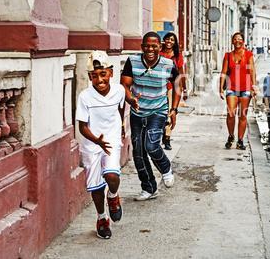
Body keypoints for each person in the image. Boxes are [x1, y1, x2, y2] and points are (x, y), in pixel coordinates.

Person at [120, 31, 180, 201]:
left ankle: (166, 168)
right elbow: (124, 85)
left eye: (154, 46)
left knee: (151, 145)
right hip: (137, 112)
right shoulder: (133, 62)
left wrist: (174, 110)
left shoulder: (168, 64)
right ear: (142, 47)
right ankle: (149, 188)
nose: (150, 49)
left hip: (158, 111)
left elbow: (177, 87)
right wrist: (130, 99)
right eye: (147, 45)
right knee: (138, 153)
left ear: (160, 47)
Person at [75, 50, 125, 239]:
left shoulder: (119, 90)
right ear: (89, 77)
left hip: (110, 141)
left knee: (112, 176)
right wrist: (96, 140)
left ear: (110, 73)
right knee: (96, 187)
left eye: (103, 74)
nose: (99, 79)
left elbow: (121, 107)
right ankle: (102, 218)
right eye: (94, 76)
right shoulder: (85, 97)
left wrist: (121, 127)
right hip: (92, 145)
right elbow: (82, 126)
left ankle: (113, 196)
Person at [219, 32, 257, 150]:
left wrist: (254, 86)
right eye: (235, 39)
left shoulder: (249, 55)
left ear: (243, 41)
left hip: (245, 88)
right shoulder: (228, 56)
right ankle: (231, 136)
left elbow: (252, 71)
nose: (237, 41)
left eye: (240, 39)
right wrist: (220, 88)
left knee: (243, 115)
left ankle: (240, 140)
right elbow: (224, 72)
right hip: (231, 88)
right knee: (231, 114)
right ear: (232, 41)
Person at [159, 32, 187, 150]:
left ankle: (167, 138)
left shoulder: (177, 55)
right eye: (167, 39)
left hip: (171, 87)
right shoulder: (158, 53)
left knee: (171, 112)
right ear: (164, 40)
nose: (169, 41)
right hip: (159, 86)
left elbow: (181, 72)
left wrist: (184, 88)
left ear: (174, 42)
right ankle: (159, 134)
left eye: (172, 40)